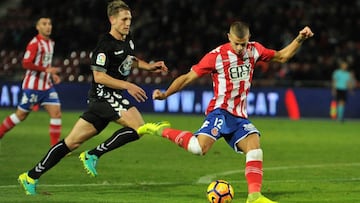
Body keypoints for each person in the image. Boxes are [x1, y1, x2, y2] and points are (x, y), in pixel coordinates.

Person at [143, 21, 314, 203]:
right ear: (229, 38)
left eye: (243, 43)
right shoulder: (216, 56)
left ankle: (254, 196)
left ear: (249, 39)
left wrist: (300, 38)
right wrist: (165, 94)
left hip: (239, 116)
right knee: (198, 148)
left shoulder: (254, 50)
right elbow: (187, 78)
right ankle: (160, 129)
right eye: (236, 44)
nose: (240, 48)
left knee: (254, 147)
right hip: (220, 111)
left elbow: (282, 56)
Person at [18, 0, 170, 195]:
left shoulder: (127, 38)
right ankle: (93, 154)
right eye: (124, 19)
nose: (128, 23)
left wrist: (148, 66)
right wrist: (128, 85)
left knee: (71, 143)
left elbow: (129, 60)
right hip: (103, 96)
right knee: (138, 128)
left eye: (130, 19)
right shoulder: (104, 45)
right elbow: (99, 76)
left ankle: (30, 176)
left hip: (109, 98)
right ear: (112, 19)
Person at [0, 16, 62, 146]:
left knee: (56, 113)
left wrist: (51, 75)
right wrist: (46, 70)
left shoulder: (51, 43)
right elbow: (26, 63)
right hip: (33, 86)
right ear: (38, 27)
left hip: (47, 86)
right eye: (44, 24)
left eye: (49, 24)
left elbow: (46, 64)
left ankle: (55, 147)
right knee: (20, 116)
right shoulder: (35, 43)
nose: (48, 26)